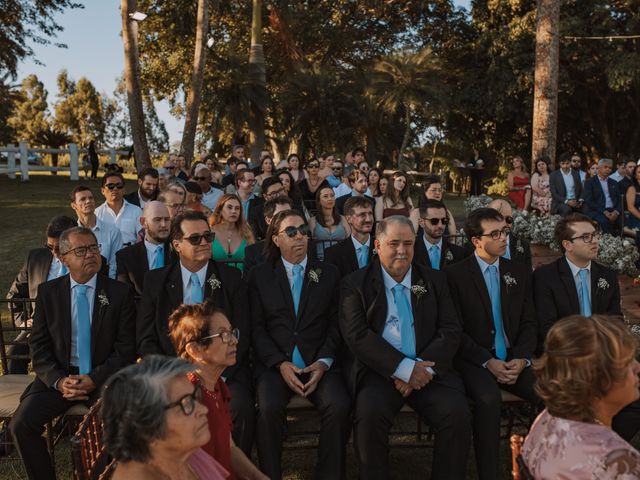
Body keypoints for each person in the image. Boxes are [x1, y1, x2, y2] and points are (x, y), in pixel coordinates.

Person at [339, 215, 471, 480]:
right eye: (394, 243)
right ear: (377, 245)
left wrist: (420, 370)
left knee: (457, 414)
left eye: (408, 244)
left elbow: (450, 329)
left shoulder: (435, 280)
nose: (402, 251)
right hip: (380, 372)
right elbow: (357, 336)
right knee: (369, 417)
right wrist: (403, 369)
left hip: (428, 370)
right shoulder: (354, 284)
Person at [10, 226, 136, 480]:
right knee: (21, 425)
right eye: (81, 250)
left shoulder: (118, 293)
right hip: (59, 379)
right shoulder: (49, 293)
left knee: (111, 421)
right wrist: (58, 380)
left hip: (103, 379)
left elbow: (125, 350)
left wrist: (94, 379)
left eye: (94, 248)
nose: (90, 254)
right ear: (63, 257)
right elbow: (40, 346)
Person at [136, 211, 254, 455]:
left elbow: (242, 333)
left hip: (224, 371)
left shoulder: (231, 278)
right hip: (172, 371)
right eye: (196, 238)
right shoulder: (155, 281)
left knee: (241, 404)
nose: (204, 243)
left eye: (208, 237)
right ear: (177, 244)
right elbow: (146, 338)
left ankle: (230, 466)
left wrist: (217, 375)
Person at [248, 210, 351, 480]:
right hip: (276, 365)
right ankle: (270, 475)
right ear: (276, 239)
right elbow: (256, 329)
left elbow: (336, 324)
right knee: (268, 409)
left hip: (319, 363)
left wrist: (323, 362)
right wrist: (279, 363)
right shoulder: (260, 276)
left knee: (338, 406)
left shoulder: (328, 273)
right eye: (291, 232)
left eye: (303, 230)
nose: (300, 236)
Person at [446, 208, 538, 480]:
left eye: (505, 232)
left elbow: (530, 322)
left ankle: (542, 466)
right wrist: (488, 361)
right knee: (488, 400)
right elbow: (455, 330)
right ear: (476, 240)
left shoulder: (519, 272)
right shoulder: (455, 275)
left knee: (551, 393)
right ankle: (489, 472)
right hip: (476, 360)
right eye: (495, 234)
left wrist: (522, 358)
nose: (503, 239)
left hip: (514, 359)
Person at [521, 315, 640, 478]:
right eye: (627, 362)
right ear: (598, 381)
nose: (637, 367)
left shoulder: (547, 420)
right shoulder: (617, 461)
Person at [168, 303, 268, 479]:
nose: (234, 340)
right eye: (224, 335)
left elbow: (228, 447)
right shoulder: (186, 399)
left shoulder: (216, 387)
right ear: (195, 350)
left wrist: (256, 476)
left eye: (231, 332)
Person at [102, 355, 230, 480]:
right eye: (185, 404)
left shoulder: (188, 455)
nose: (204, 409)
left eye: (195, 397)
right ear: (146, 429)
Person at [6, 216, 79, 374]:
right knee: (14, 353)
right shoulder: (35, 258)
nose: (54, 253)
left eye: (59, 247)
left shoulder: (87, 260)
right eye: (49, 246)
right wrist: (23, 322)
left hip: (76, 328)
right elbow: (14, 295)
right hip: (38, 328)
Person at [533, 213, 622, 342]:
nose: (595, 241)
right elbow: (547, 325)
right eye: (586, 237)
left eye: (595, 235)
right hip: (565, 350)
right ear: (567, 245)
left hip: (603, 349)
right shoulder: (545, 277)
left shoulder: (608, 275)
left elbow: (615, 319)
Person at [116, 201, 174, 297]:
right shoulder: (126, 256)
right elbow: (124, 297)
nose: (164, 224)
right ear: (143, 222)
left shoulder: (180, 252)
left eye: (167, 219)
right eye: (157, 220)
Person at [71, 185, 123, 278]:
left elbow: (114, 265)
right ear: (74, 205)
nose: (88, 201)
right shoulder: (70, 234)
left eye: (91, 198)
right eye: (82, 199)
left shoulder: (112, 231)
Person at [243, 197, 297, 276]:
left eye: (290, 213)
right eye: (281, 215)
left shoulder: (305, 247)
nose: (287, 219)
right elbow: (249, 284)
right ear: (268, 220)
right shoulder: (253, 252)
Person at [324, 196, 375, 278]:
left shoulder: (383, 248)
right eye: (362, 215)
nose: (368, 219)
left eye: (370, 214)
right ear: (349, 219)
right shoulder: (333, 254)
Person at [413, 200, 466, 271]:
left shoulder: (458, 253)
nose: (440, 225)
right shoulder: (411, 251)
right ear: (421, 222)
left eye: (444, 220)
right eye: (434, 221)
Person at [95, 172, 143, 247]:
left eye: (119, 185)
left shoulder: (136, 211)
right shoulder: (96, 213)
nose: (115, 188)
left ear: (124, 189)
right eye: (110, 186)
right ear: (102, 190)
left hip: (130, 255)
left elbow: (142, 237)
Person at [209, 194, 255, 270]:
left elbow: (253, 261)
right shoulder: (210, 232)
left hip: (242, 279)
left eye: (237, 208)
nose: (233, 211)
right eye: (229, 207)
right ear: (220, 210)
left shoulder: (246, 233)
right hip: (216, 279)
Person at [309, 185, 351, 260]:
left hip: (341, 259)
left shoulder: (343, 219)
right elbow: (309, 243)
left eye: (332, 196)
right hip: (320, 259)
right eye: (325, 196)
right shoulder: (312, 221)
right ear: (319, 201)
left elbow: (350, 239)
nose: (330, 199)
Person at [488, 199, 532, 268]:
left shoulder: (523, 245)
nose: (504, 224)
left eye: (508, 219)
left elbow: (528, 275)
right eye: (499, 219)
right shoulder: (478, 245)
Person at [583, 158, 621, 234]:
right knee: (604, 221)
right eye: (605, 167)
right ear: (599, 168)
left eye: (610, 168)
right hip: (597, 211)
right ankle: (611, 241)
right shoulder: (589, 182)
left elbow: (620, 200)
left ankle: (625, 241)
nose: (608, 170)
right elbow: (589, 200)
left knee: (623, 220)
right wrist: (604, 211)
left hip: (612, 210)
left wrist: (616, 212)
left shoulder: (614, 182)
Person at [625, 164, 640, 231]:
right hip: (636, 217)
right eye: (639, 172)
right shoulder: (632, 189)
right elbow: (630, 207)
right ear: (635, 176)